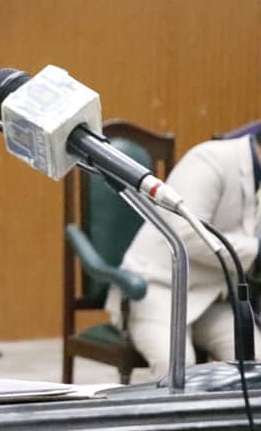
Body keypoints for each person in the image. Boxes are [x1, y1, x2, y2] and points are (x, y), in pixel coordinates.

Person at [106, 131, 261, 380]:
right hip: (157, 290)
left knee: (257, 362)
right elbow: (187, 235)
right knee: (178, 370)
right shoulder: (210, 159)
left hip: (213, 298)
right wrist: (257, 251)